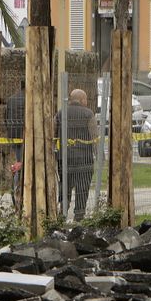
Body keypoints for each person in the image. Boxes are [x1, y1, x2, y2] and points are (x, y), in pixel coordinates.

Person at [55, 88, 97, 220]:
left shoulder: (61, 113)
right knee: (82, 187)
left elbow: (53, 133)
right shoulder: (88, 114)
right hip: (84, 158)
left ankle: (63, 211)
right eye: (86, 99)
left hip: (65, 157)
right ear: (82, 100)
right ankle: (79, 214)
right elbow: (94, 135)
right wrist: (99, 154)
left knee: (65, 185)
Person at [1, 87, 25, 195]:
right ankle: (19, 189)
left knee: (19, 160)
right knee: (23, 163)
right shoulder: (30, 99)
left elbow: (5, 117)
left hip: (13, 136)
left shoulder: (11, 99)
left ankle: (17, 188)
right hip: (27, 136)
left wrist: (9, 130)